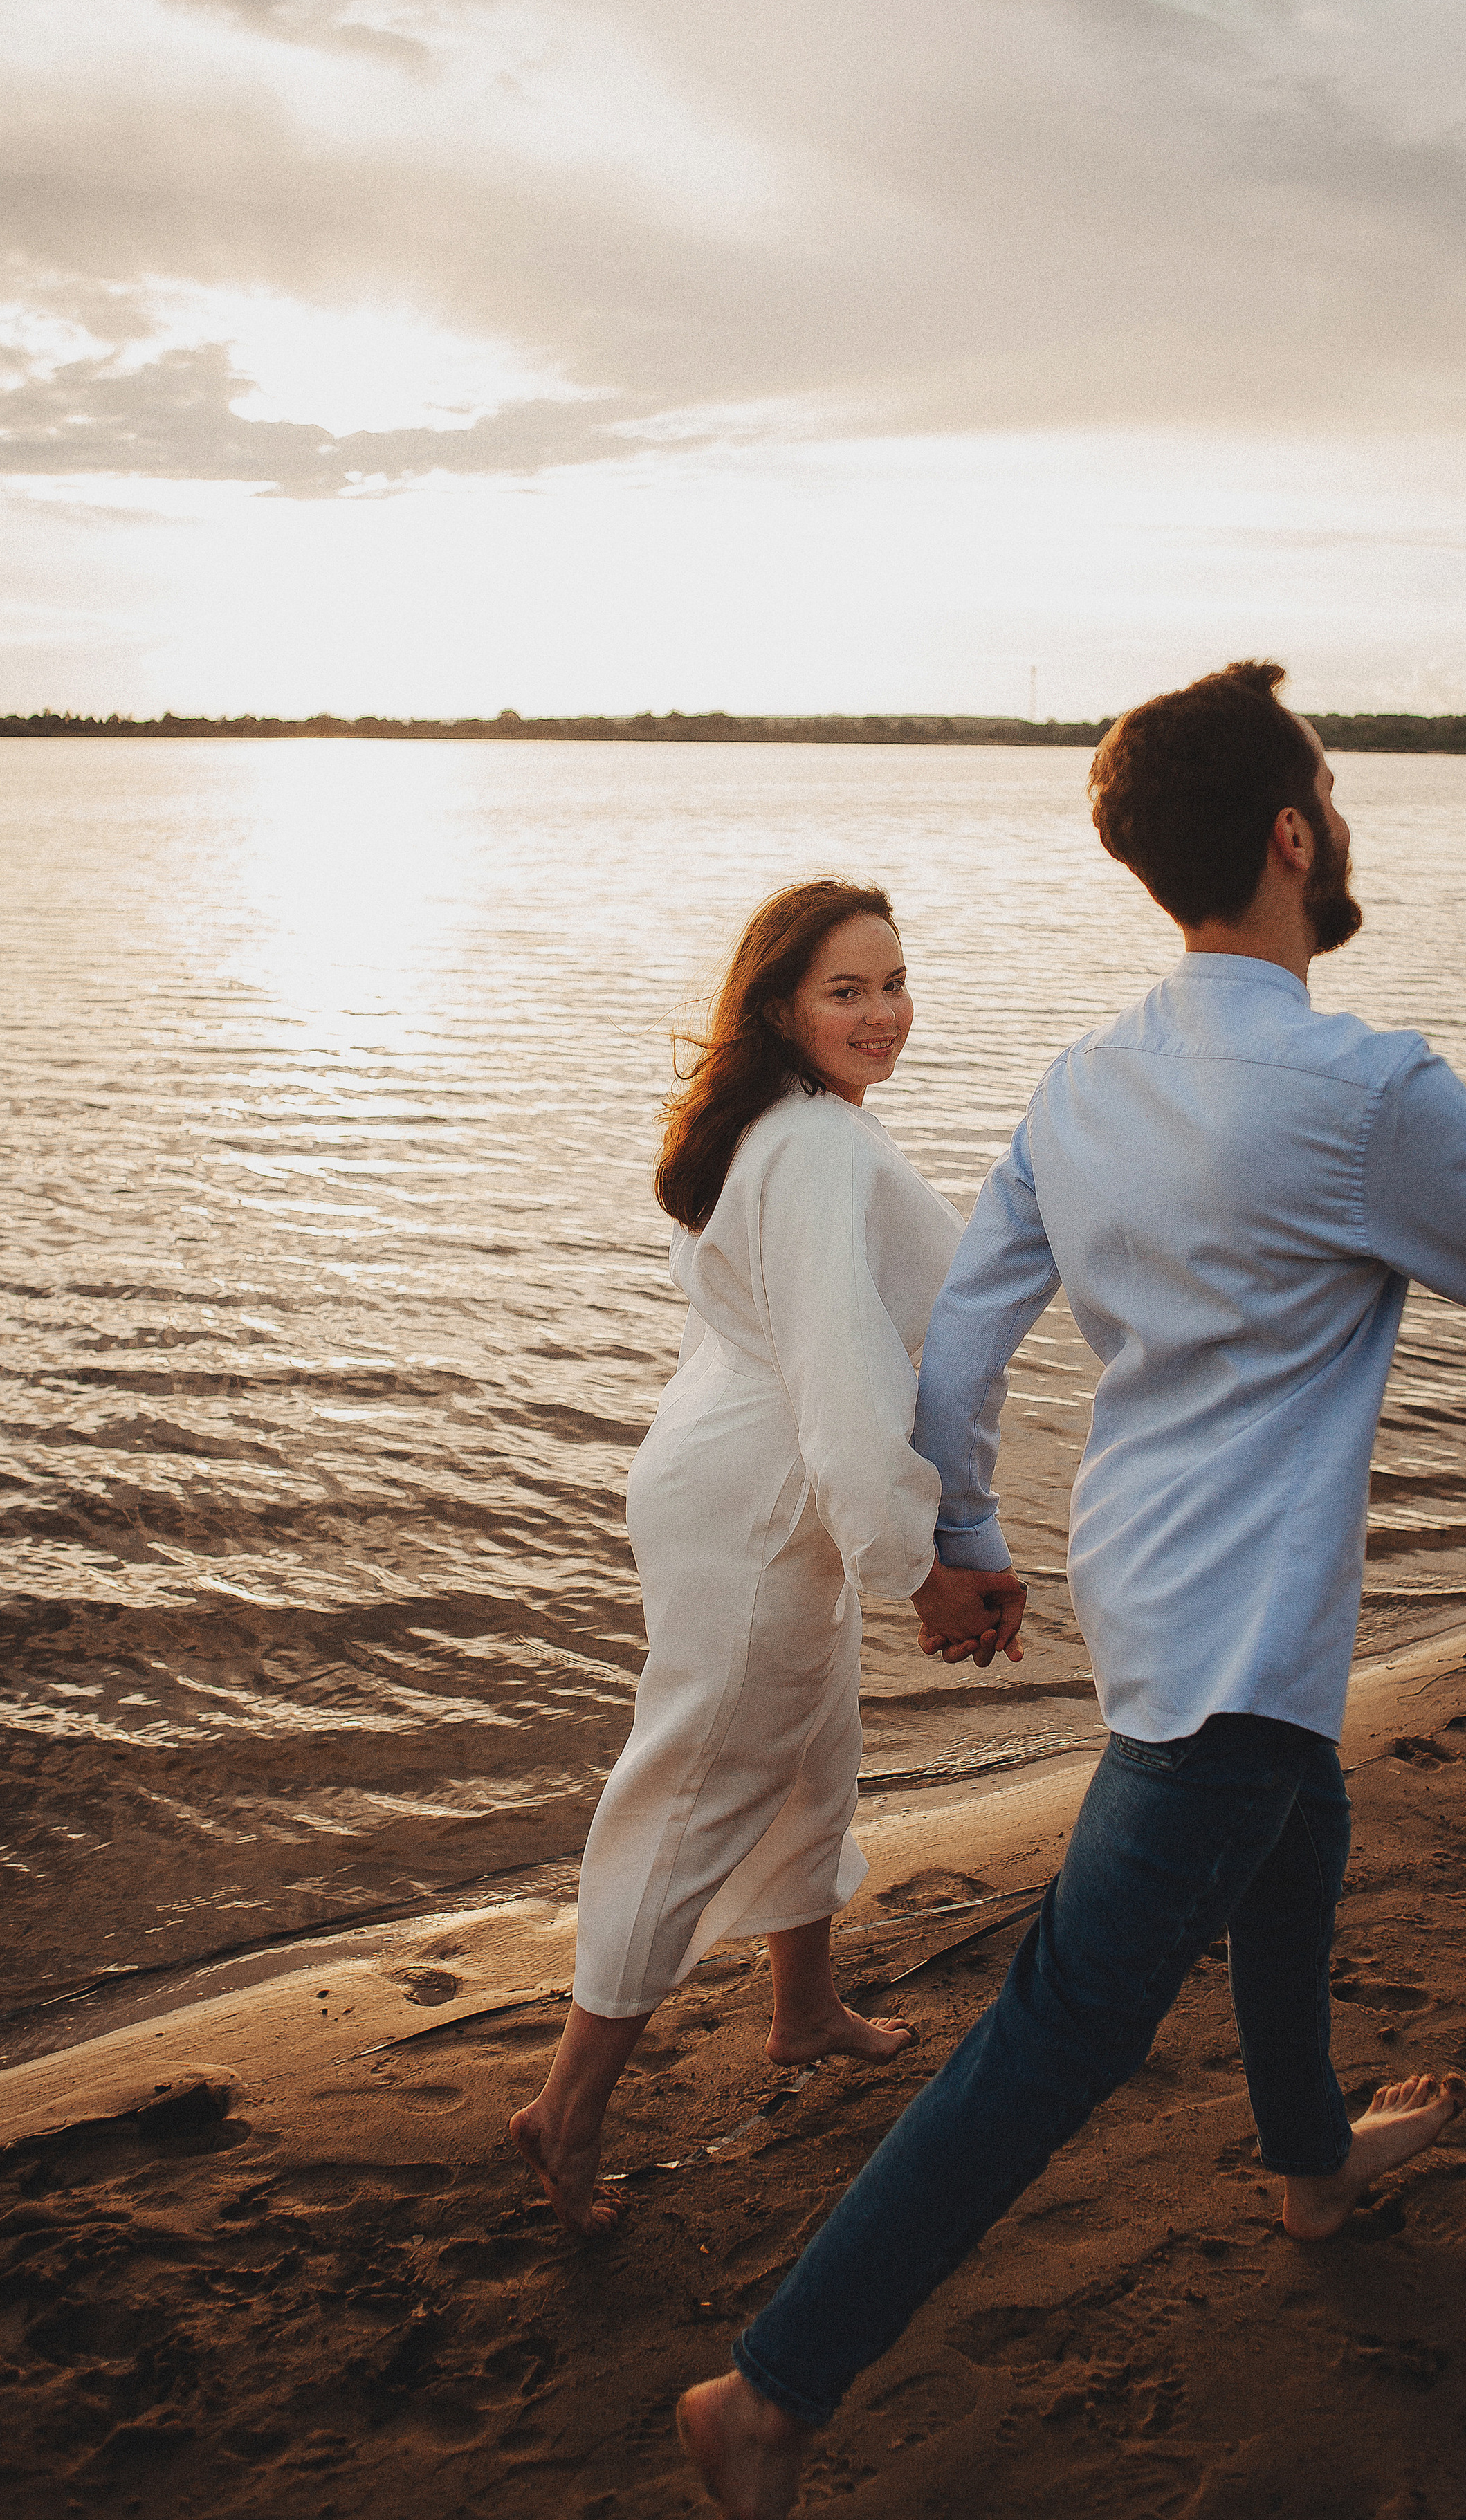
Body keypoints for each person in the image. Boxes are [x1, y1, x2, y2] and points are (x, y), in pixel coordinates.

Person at [676, 661, 1466, 2515]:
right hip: (1232, 1646)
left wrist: (976, 1532)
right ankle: (768, 2390)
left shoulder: (1089, 1082)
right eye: (1332, 787)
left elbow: (966, 1344)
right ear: (1297, 833)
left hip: (1151, 1599)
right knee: (1065, 2026)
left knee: (1296, 1849)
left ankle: (1310, 2166)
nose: (1341, 815)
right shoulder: (1364, 1087)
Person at [511, 879, 1020, 2233]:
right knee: (691, 1795)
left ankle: (802, 2013)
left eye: (894, 983)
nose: (881, 1013)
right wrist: (917, 1565)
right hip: (757, 1494)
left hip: (731, 1466)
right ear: (780, 1005)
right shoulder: (811, 1149)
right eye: (844, 990)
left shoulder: (788, 1124)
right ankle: (563, 2112)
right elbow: (845, 1383)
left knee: (809, 1754)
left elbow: (807, 1351)